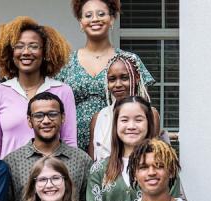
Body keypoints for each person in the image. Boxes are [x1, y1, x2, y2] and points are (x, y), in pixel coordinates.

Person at [56, 0, 155, 153]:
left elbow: (143, 103)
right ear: (81, 23)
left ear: (112, 19)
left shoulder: (128, 61)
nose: (95, 19)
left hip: (116, 144)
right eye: (88, 15)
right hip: (72, 145)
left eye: (101, 14)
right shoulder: (65, 62)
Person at [0, 16, 76, 158]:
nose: (26, 52)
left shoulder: (63, 91)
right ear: (11, 53)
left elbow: (69, 142)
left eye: (34, 46)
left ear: (45, 52)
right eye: (19, 46)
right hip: (10, 175)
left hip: (51, 176)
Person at [4, 92, 92, 201]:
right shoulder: (12, 162)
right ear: (30, 121)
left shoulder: (82, 160)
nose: (46, 120)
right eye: (39, 115)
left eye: (53, 114)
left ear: (63, 118)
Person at [89, 51, 159, 162]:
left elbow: (152, 155)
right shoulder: (98, 118)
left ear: (136, 78)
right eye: (112, 79)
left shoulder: (150, 114)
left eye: (124, 78)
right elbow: (93, 163)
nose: (117, 84)